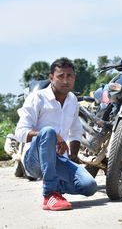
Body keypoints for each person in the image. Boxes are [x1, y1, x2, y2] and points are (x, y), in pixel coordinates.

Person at [15, 57, 97, 211]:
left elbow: (76, 130)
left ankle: (57, 189)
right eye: (61, 76)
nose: (65, 80)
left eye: (69, 76)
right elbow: (20, 133)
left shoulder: (72, 100)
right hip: (34, 160)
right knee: (48, 131)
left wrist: (73, 156)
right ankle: (50, 195)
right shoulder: (37, 98)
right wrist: (54, 136)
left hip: (58, 159)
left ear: (74, 78)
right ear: (51, 78)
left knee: (89, 186)